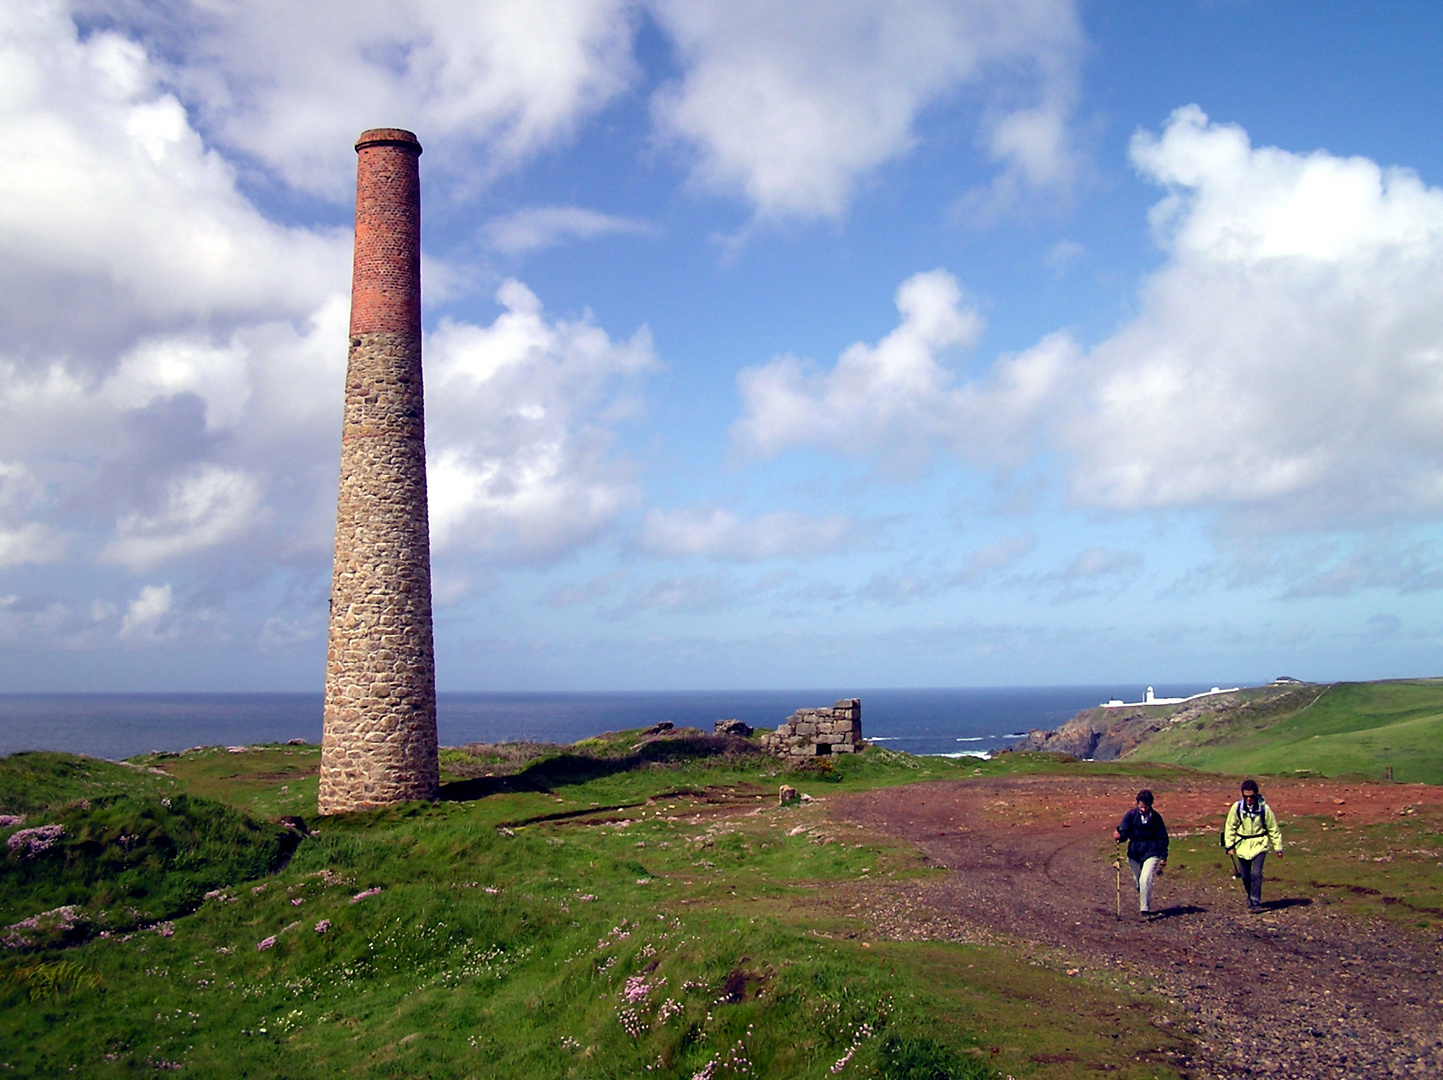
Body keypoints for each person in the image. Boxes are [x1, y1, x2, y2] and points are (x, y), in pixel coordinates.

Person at [1224, 779, 1283, 913]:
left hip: (1259, 844)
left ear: (1256, 794)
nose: (1249, 799)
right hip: (1242, 845)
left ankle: (1255, 901)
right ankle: (1250, 896)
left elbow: (1273, 828)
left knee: (1256, 873)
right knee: (1245, 876)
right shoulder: (1237, 808)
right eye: (1246, 796)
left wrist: (1278, 847)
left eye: (1251, 796)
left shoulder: (1264, 809)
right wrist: (1229, 846)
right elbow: (1230, 827)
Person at [1114, 789, 1168, 918]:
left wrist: (1163, 856)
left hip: (1151, 851)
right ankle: (1143, 891)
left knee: (1145, 879)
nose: (1143, 809)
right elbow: (1124, 832)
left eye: (1146, 806)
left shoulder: (1156, 818)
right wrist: (1119, 836)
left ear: (1150, 805)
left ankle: (1145, 910)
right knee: (1138, 881)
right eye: (1141, 806)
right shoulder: (1131, 815)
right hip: (1134, 852)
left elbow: (1162, 837)